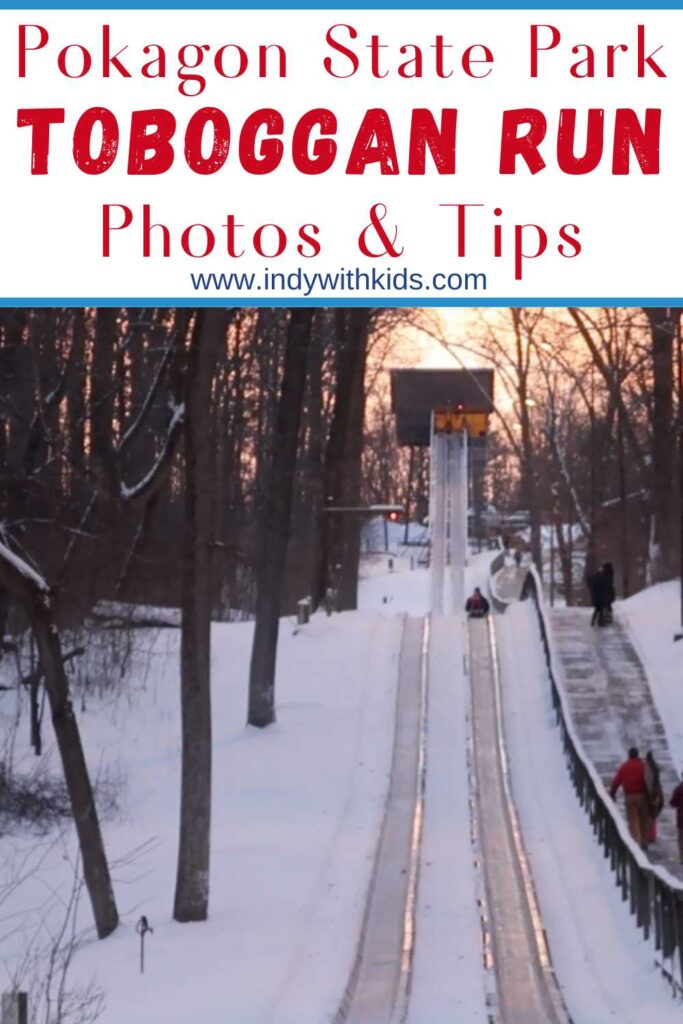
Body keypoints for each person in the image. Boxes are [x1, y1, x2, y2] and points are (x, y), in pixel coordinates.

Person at [609, 747, 649, 849]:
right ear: (637, 755)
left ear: (629, 755)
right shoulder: (643, 766)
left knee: (633, 820)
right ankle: (644, 841)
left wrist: (612, 793)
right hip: (643, 796)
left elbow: (616, 781)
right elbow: (650, 780)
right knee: (643, 819)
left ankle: (635, 843)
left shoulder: (624, 767)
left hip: (629, 796)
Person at [644, 750, 664, 843]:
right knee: (653, 815)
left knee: (649, 815)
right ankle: (652, 835)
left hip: (651, 793)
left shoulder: (647, 767)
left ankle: (649, 835)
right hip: (656, 792)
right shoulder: (655, 767)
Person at [670, 774, 683, 863]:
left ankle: (682, 857)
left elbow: (673, 803)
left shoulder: (679, 789)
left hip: (681, 819)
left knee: (681, 839)